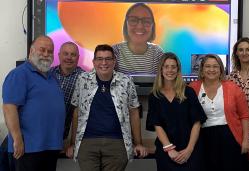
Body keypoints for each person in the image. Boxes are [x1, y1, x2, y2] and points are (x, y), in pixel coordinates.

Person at [68, 44, 147, 171]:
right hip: (87, 143)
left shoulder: (126, 81)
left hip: (117, 143)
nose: (104, 63)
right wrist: (73, 144)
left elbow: (134, 113)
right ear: (93, 62)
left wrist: (138, 143)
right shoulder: (82, 80)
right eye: (99, 59)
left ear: (114, 61)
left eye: (108, 59)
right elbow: (76, 112)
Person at [2, 35, 66, 171]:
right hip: (27, 148)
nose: (46, 54)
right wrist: (17, 139)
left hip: (50, 147)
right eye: (42, 50)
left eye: (50, 51)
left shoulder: (52, 77)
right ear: (31, 51)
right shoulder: (19, 74)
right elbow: (9, 108)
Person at [146, 52, 207, 171]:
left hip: (190, 150)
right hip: (166, 152)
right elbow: (157, 124)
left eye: (173, 67)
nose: (170, 70)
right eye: (166, 66)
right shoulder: (154, 96)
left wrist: (189, 149)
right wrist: (169, 149)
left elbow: (197, 122)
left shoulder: (188, 92)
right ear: (161, 69)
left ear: (178, 69)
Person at [189, 54, 249, 171]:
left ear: (221, 69)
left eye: (215, 66)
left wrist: (246, 140)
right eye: (207, 66)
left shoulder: (233, 88)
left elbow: (245, 115)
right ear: (202, 69)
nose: (211, 70)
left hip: (230, 136)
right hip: (202, 138)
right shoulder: (192, 88)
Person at [227, 37, 249, 171]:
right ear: (236, 53)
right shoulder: (229, 78)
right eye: (241, 50)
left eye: (248, 49)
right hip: (233, 133)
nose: (244, 53)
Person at [50, 42, 84, 156]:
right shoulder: (48, 74)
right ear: (59, 55)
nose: (69, 57)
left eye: (73, 54)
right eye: (66, 54)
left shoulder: (85, 79)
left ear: (78, 58)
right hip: (43, 132)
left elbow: (80, 115)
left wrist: (73, 142)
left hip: (65, 136)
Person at [112, 3, 164, 74]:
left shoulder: (157, 53)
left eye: (146, 21)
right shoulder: (115, 51)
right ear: (126, 24)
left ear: (153, 26)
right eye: (133, 20)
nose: (140, 26)